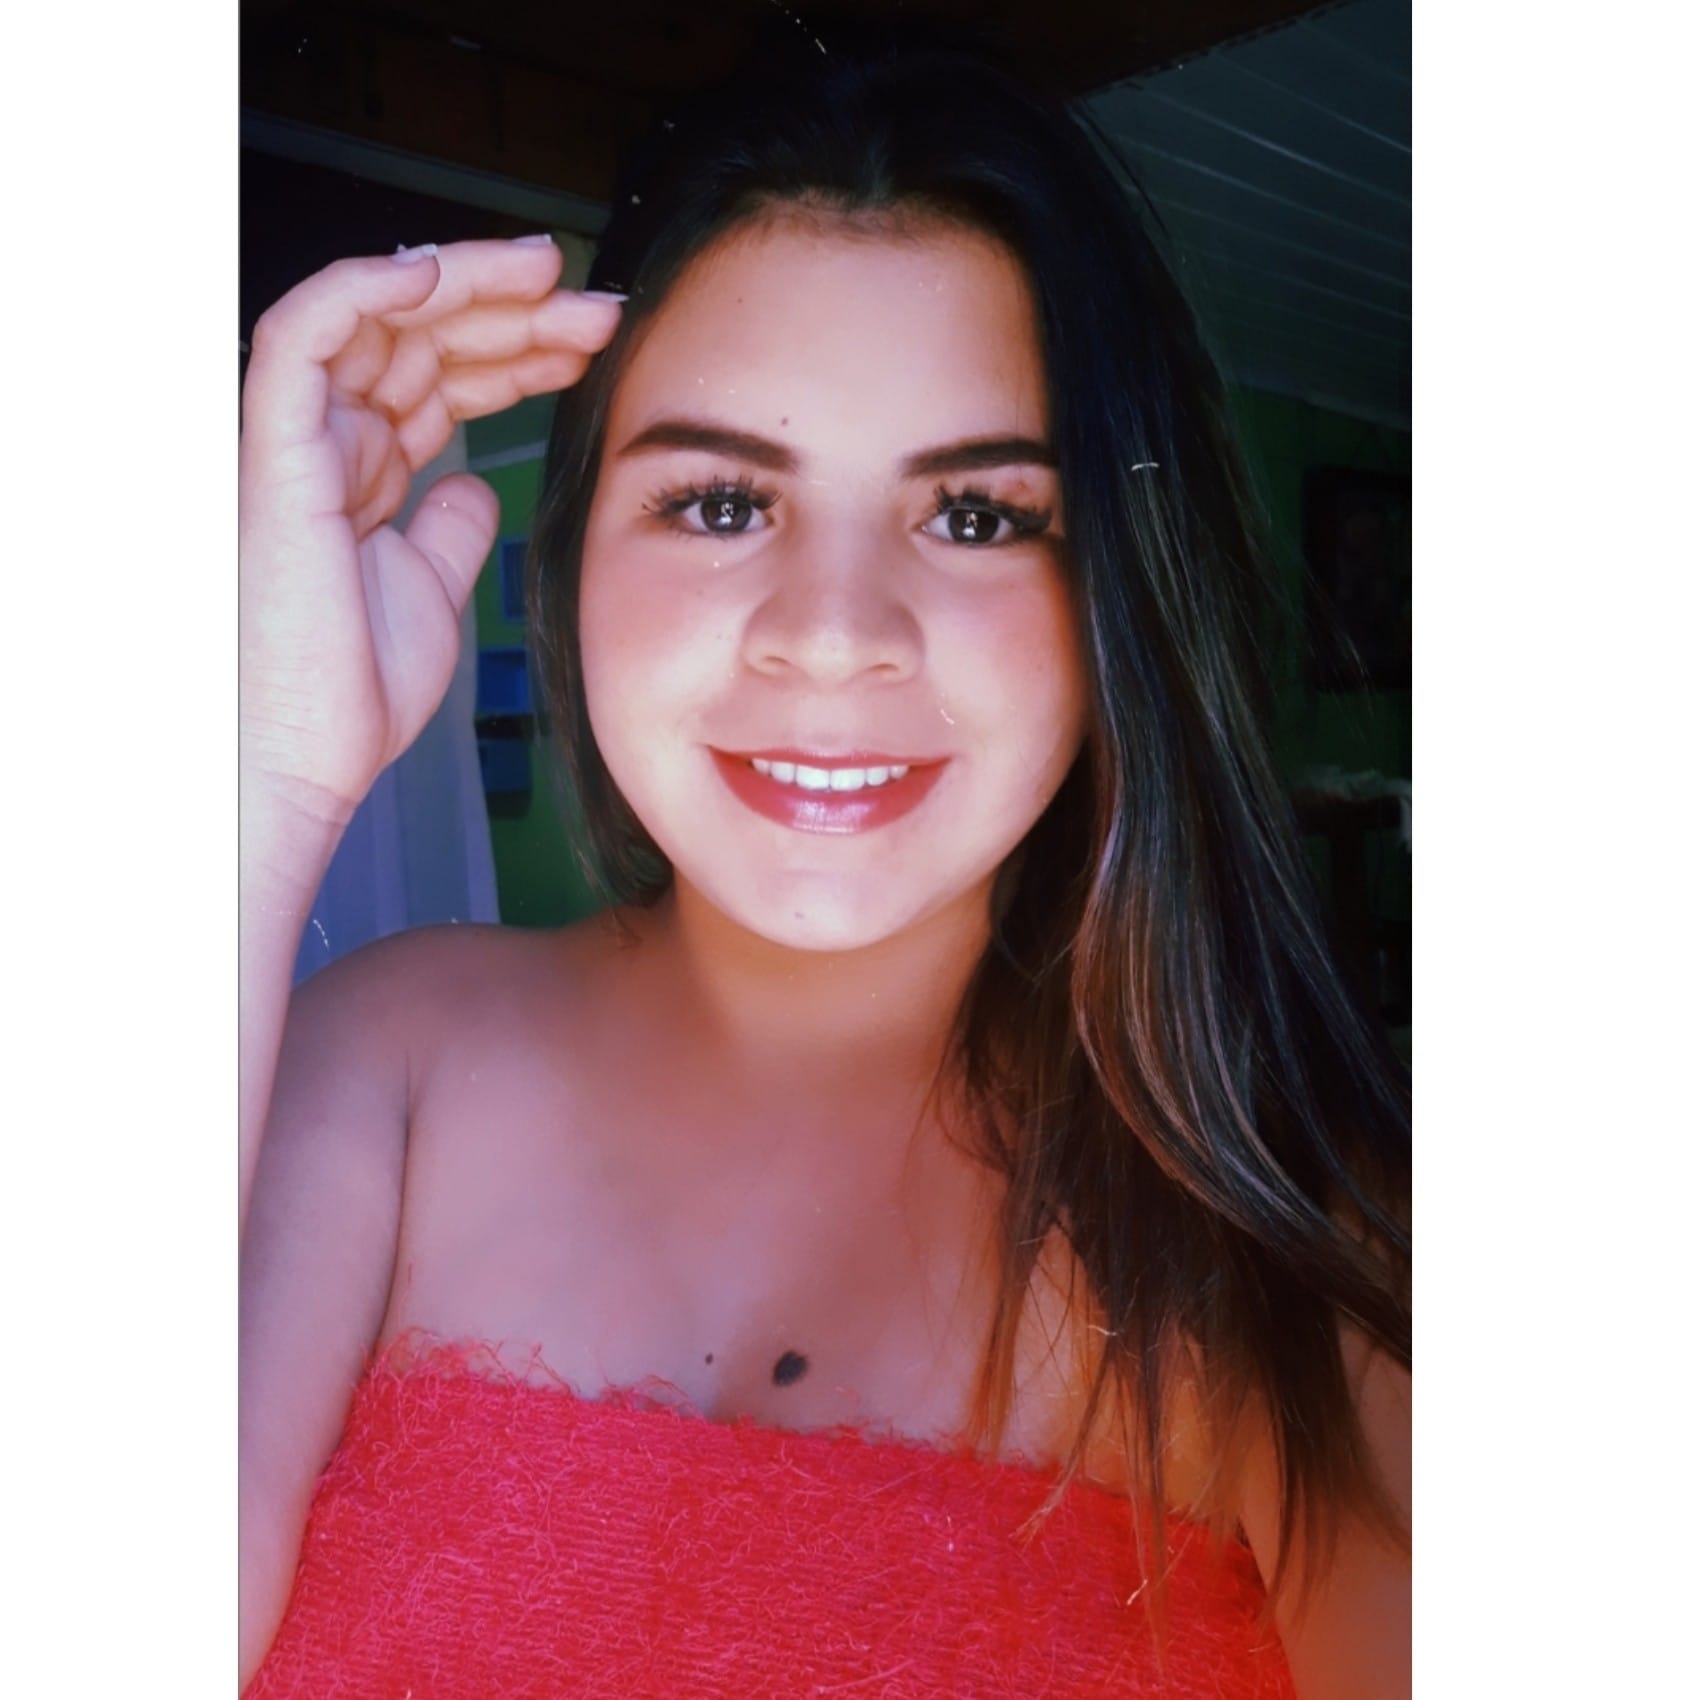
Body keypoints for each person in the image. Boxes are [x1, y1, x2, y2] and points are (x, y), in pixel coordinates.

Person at [239, 29, 1410, 1699]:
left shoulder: (1305, 1242)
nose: (838, 634)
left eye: (978, 515)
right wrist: (261, 774)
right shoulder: (381, 1060)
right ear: (575, 552)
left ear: (1118, 595)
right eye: (722, 503)